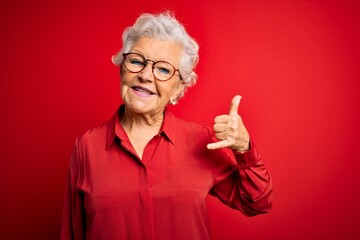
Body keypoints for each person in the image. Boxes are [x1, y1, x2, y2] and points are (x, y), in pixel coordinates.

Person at [61, 11, 273, 240]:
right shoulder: (86, 147)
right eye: (136, 61)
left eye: (163, 69)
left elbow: (258, 203)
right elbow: (73, 233)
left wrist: (244, 148)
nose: (145, 75)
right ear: (122, 68)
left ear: (178, 88)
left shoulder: (201, 141)